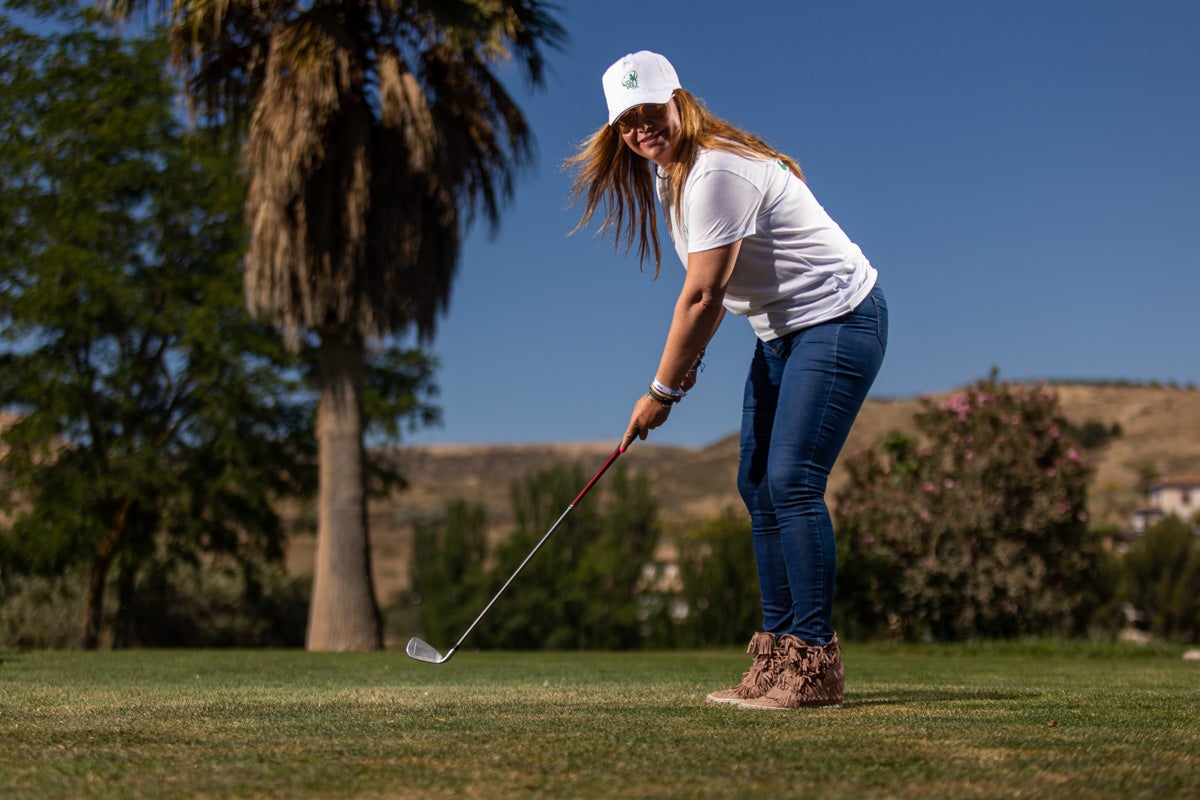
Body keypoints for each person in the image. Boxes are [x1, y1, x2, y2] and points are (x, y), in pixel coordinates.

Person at [566, 51, 888, 710]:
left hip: (840, 319)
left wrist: (660, 392)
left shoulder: (713, 170)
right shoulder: (671, 175)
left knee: (792, 480)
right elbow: (717, 293)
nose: (641, 127)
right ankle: (775, 659)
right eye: (626, 120)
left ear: (678, 101)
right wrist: (674, 381)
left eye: (650, 110)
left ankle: (814, 661)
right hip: (782, 335)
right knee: (756, 484)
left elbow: (703, 296)